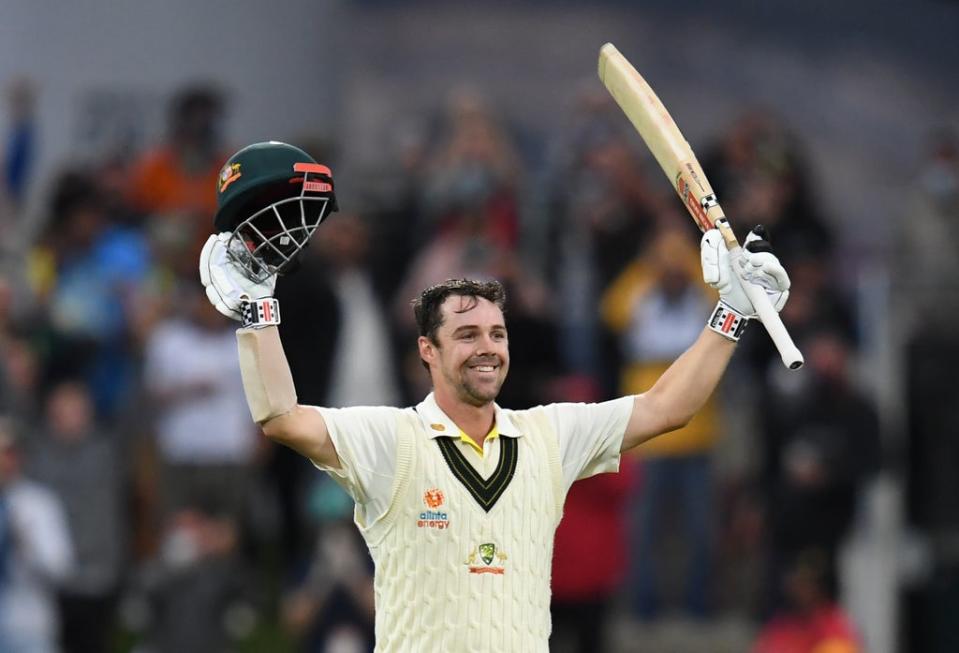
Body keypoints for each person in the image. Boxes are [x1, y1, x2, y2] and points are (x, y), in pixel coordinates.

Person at [198, 140, 792, 651]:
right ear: (426, 352)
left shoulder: (547, 437)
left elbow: (668, 408)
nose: (487, 347)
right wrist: (257, 310)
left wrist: (731, 314)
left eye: (497, 333)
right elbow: (280, 416)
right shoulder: (390, 439)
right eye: (465, 335)